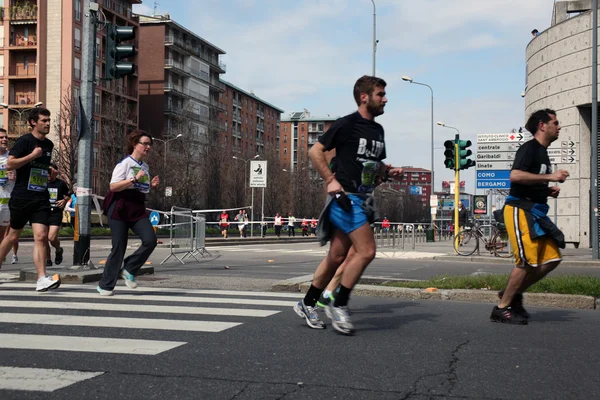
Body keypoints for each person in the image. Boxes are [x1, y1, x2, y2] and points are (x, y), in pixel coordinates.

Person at [293, 75, 404, 334]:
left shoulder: (378, 130)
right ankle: (338, 302)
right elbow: (315, 151)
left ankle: (308, 302)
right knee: (366, 251)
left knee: (337, 256)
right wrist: (331, 180)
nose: (385, 98)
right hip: (346, 197)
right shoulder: (346, 124)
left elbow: (372, 166)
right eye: (380, 94)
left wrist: (388, 173)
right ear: (364, 97)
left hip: (363, 198)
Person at [491, 109, 569, 325]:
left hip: (536, 212)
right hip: (520, 210)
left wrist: (546, 189)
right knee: (525, 262)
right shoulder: (530, 148)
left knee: (552, 259)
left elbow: (531, 180)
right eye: (555, 122)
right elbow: (515, 176)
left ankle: (511, 294)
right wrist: (550, 176)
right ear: (542, 125)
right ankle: (502, 308)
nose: (559, 126)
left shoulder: (543, 152)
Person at [0, 108, 60, 291]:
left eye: (49, 120)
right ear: (33, 122)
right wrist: (32, 156)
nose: (48, 123)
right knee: (12, 236)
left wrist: (49, 172)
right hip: (21, 197)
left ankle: (42, 278)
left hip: (41, 197)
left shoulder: (49, 144)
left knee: (41, 237)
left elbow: (39, 167)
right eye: (44, 120)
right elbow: (10, 164)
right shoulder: (24, 141)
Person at [97, 130, 160, 296]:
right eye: (145, 143)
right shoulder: (124, 164)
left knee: (150, 240)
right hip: (119, 206)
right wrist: (134, 179)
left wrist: (151, 186)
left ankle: (129, 268)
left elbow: (142, 189)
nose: (148, 147)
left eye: (149, 144)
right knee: (119, 247)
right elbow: (113, 186)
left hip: (137, 207)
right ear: (135, 144)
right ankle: (105, 285)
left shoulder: (144, 167)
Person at [46, 162, 70, 266]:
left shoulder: (61, 184)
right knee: (43, 238)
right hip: (43, 212)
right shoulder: (41, 183)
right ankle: (48, 259)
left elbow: (68, 195)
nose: (48, 174)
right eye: (47, 172)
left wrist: (64, 201)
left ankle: (58, 249)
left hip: (55, 213)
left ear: (55, 172)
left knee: (51, 237)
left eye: (50, 172)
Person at [0, 129, 18, 265]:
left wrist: (14, 176)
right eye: (1, 138)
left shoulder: (11, 157)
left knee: (2, 236)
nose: (5, 139)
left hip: (6, 202)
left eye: (6, 137)